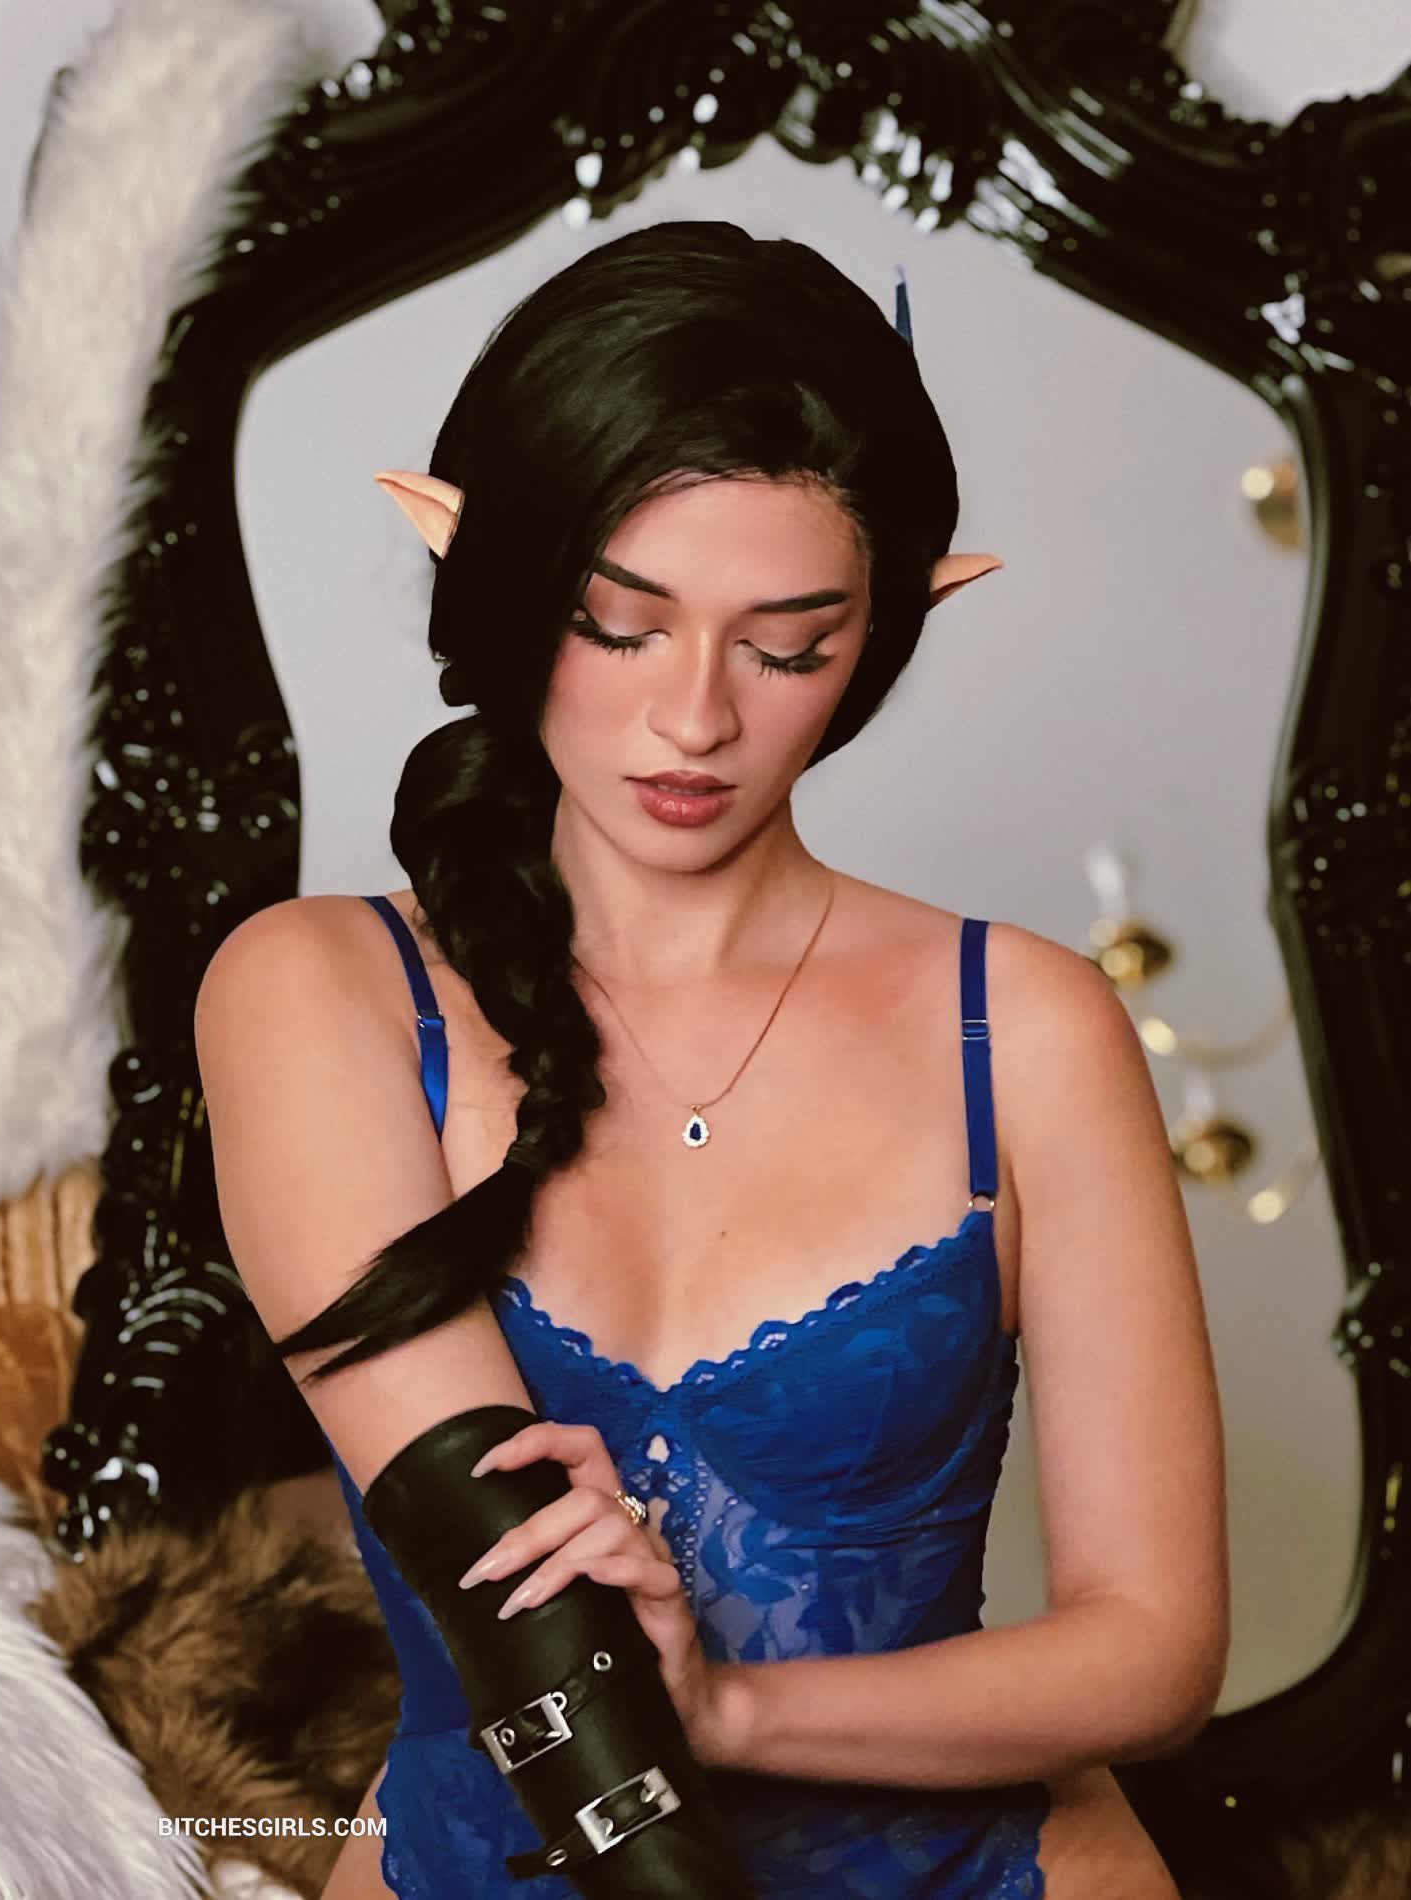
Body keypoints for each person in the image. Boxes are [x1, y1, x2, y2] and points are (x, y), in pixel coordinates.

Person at [194, 220, 1228, 1898]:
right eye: (619, 623)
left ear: (886, 632)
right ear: (490, 577)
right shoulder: (320, 989)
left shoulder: (1026, 1025)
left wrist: (730, 1707)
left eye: (787, 645)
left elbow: (1150, 1653)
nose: (694, 718)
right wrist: (645, 1709)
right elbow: (530, 1621)